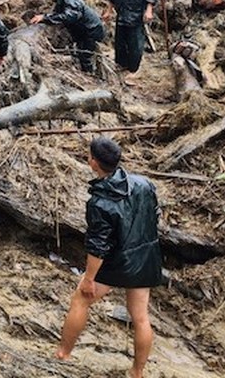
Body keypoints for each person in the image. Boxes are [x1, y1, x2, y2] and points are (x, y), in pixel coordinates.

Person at [56, 137, 162, 378]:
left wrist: (89, 278)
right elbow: (155, 214)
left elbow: (98, 245)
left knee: (80, 300)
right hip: (145, 258)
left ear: (93, 162)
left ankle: (63, 353)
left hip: (116, 262)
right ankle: (137, 372)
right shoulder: (144, 184)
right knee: (141, 318)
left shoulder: (100, 202)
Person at [103, 0, 158, 84]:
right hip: (122, 15)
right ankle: (121, 65)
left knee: (135, 44)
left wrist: (148, 11)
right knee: (120, 42)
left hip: (135, 15)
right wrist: (109, 11)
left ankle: (134, 70)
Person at [31, 0, 106, 74]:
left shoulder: (71, 2)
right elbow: (57, 15)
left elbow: (68, 17)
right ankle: (86, 71)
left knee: (85, 55)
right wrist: (44, 18)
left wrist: (45, 17)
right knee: (79, 52)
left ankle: (90, 75)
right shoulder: (61, 3)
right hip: (82, 31)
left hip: (91, 31)